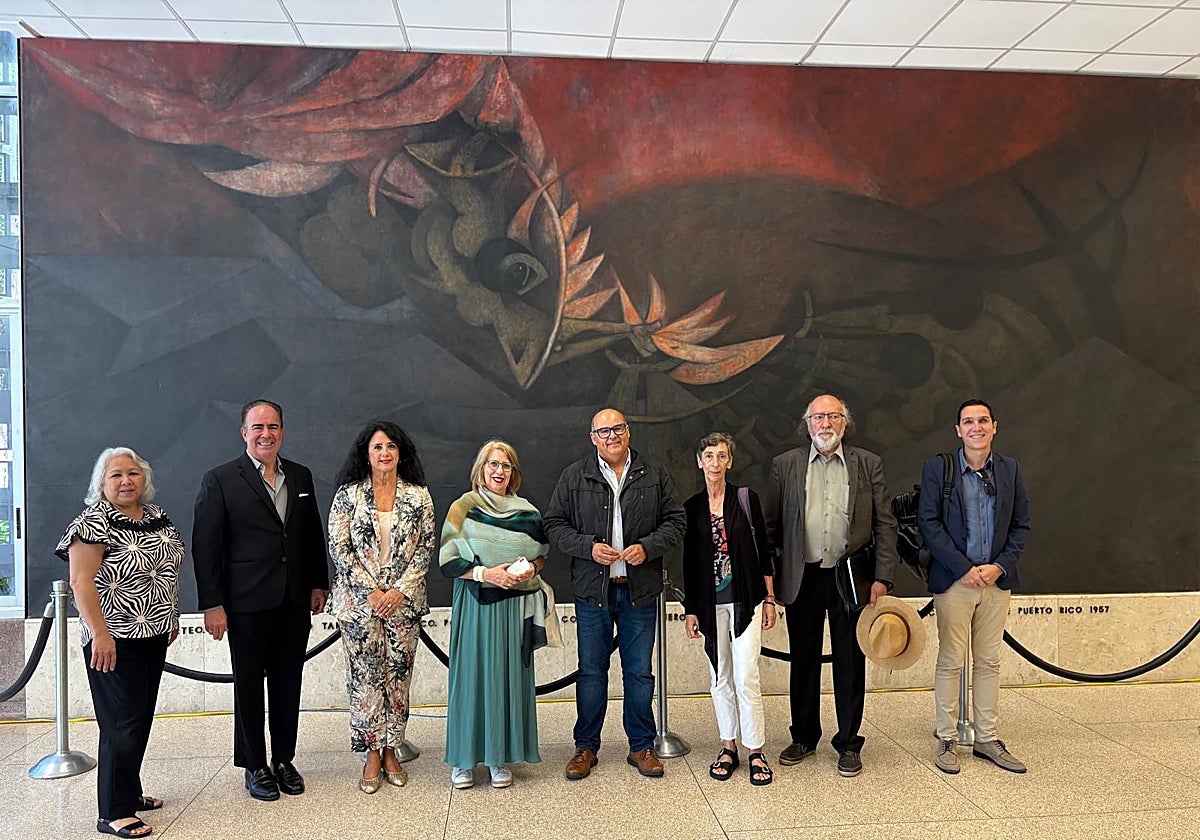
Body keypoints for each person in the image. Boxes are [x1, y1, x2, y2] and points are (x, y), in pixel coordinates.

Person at [192, 400, 329, 801]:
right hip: (245, 603)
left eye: (273, 426)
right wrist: (212, 604)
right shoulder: (220, 479)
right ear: (244, 433)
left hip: (293, 598)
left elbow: (310, 533)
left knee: (288, 683)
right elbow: (205, 546)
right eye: (257, 427)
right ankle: (255, 765)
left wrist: (318, 584)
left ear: (282, 431)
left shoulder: (300, 475)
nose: (265, 434)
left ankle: (284, 760)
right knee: (249, 686)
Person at [544, 407, 686, 780]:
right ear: (593, 437)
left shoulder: (653, 473)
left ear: (628, 431)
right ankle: (585, 748)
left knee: (639, 673)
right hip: (593, 593)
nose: (612, 436)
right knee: (592, 672)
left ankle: (641, 746)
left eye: (618, 428)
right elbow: (554, 524)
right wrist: (587, 547)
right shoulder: (575, 475)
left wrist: (649, 547)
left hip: (640, 592)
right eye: (604, 431)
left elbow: (676, 521)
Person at [765, 394, 898, 778]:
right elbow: (771, 528)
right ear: (807, 423)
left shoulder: (867, 463)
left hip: (850, 577)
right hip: (801, 576)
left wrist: (882, 577)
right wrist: (770, 583)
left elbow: (885, 524)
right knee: (802, 660)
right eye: (818, 417)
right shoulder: (785, 465)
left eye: (833, 416)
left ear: (845, 422)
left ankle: (849, 743)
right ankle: (804, 737)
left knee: (850, 662)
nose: (825, 424)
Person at [57, 447, 184, 838]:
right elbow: (80, 583)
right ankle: (112, 812)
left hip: (153, 633)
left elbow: (167, 570)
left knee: (139, 719)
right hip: (112, 638)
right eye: (116, 475)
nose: (126, 481)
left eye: (133, 473)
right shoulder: (92, 523)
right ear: (101, 483)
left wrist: (170, 616)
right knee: (121, 723)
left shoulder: (156, 516)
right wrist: (100, 633)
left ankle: (129, 793)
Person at [439, 440, 560, 790]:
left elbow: (542, 555)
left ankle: (498, 758)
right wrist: (487, 574)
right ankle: (463, 761)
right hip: (476, 607)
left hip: (513, 609)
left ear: (513, 472)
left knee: (507, 680)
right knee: (472, 678)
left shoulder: (528, 512)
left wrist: (530, 569)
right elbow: (447, 560)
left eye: (506, 466)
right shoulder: (463, 507)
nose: (499, 471)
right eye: (493, 464)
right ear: (481, 468)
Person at [919, 399, 1031, 775]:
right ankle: (947, 738)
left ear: (994, 426)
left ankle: (986, 737)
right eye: (968, 422)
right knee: (951, 661)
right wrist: (964, 569)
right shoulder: (940, 469)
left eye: (983, 420)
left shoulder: (1010, 470)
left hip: (996, 582)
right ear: (958, 430)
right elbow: (929, 523)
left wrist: (1000, 566)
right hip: (955, 581)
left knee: (988, 662)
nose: (976, 427)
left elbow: (1021, 525)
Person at [327, 421, 435, 793]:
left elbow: (425, 549)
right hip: (359, 605)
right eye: (377, 447)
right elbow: (339, 549)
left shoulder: (418, 496)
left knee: (398, 680)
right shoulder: (348, 495)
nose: (384, 453)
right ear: (366, 453)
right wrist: (372, 592)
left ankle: (392, 750)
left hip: (403, 605)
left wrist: (397, 592)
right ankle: (371, 754)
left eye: (391, 446)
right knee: (365, 680)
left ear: (401, 453)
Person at [682, 432, 777, 786]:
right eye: (709, 456)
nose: (715, 463)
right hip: (710, 606)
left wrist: (770, 599)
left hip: (746, 601)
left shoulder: (746, 499)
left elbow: (764, 552)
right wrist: (691, 610)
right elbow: (689, 563)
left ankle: (756, 750)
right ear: (699, 461)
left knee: (746, 675)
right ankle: (728, 746)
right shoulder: (692, 507)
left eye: (721, 456)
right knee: (720, 677)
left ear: (730, 461)